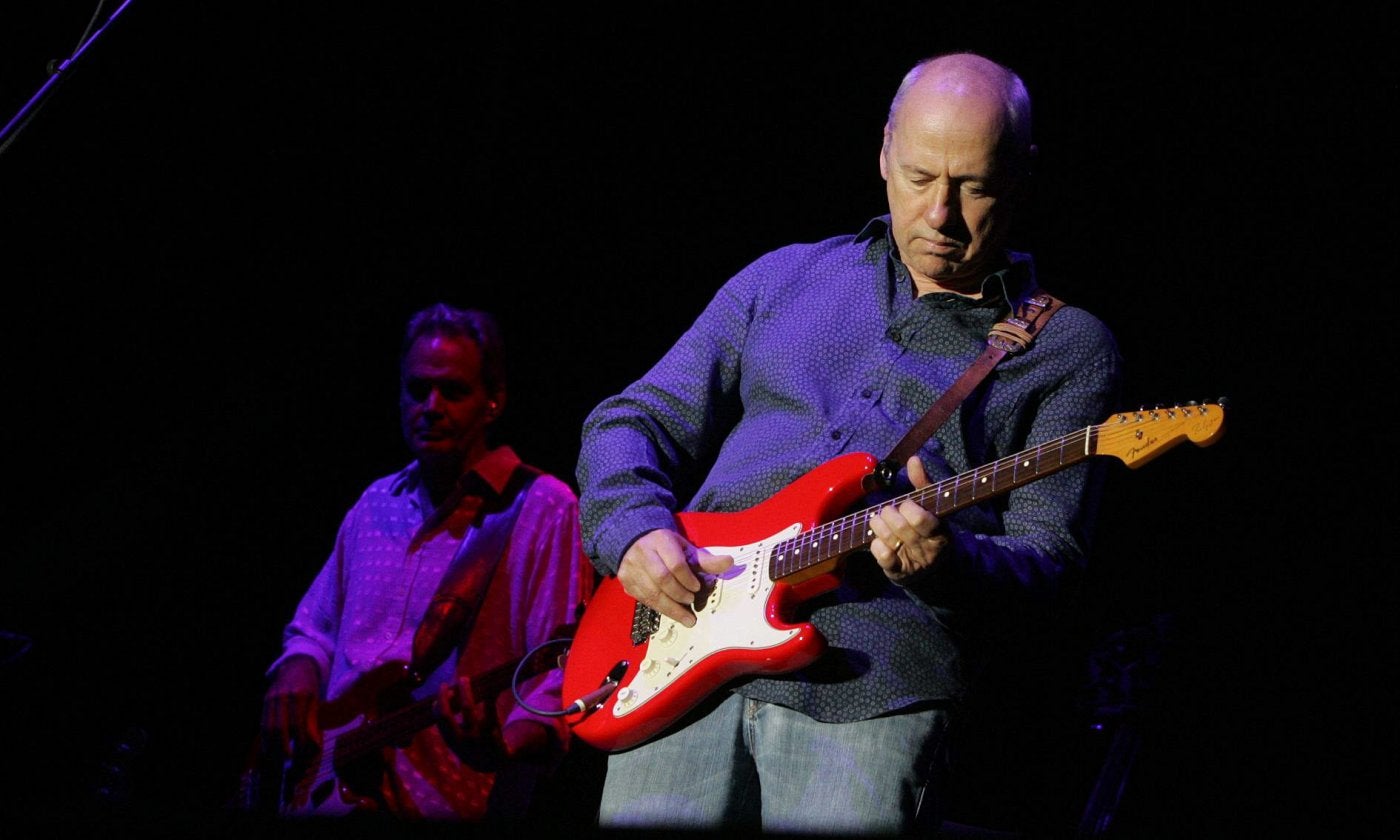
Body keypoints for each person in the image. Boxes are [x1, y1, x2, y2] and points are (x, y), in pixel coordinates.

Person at [573, 51, 1123, 835]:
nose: (942, 215)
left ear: (1024, 174)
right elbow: (634, 419)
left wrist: (952, 561)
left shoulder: (1067, 349)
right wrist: (632, 529)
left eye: (974, 186)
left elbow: (1053, 568)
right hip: (677, 662)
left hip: (875, 691)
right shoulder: (785, 279)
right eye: (920, 177)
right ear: (883, 155)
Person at [254, 303, 594, 823]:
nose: (431, 406)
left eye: (453, 391)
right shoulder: (374, 504)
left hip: (448, 799)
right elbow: (313, 631)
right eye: (417, 390)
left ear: (493, 401)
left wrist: (500, 747)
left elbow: (562, 674)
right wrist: (295, 674)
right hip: (321, 789)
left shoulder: (544, 509)